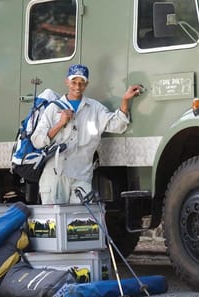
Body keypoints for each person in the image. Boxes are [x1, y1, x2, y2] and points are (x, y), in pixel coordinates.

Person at [30, 64, 143, 204]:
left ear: (86, 84)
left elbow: (118, 125)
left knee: (80, 223)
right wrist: (60, 123)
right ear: (67, 82)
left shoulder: (94, 108)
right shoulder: (53, 109)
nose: (77, 87)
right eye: (74, 82)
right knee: (55, 223)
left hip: (81, 177)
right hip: (55, 177)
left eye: (82, 83)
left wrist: (125, 100)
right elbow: (37, 140)